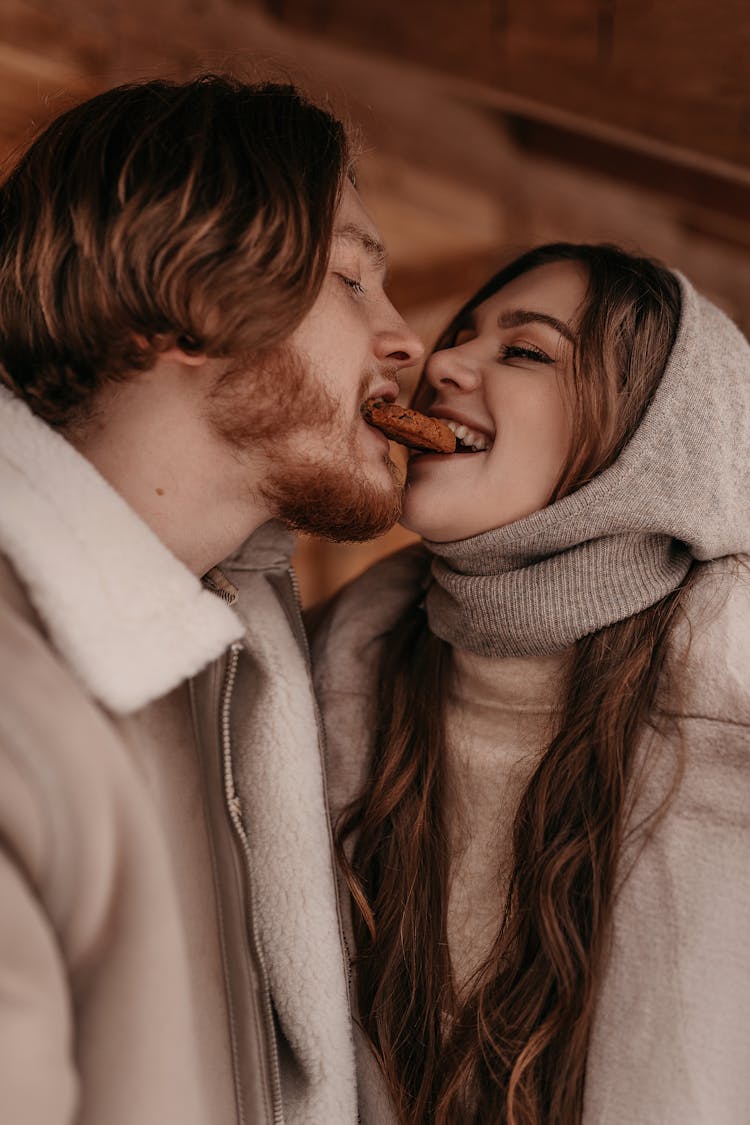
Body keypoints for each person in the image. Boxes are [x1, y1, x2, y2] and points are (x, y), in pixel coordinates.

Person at [0, 74, 423, 1125]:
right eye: (352, 281)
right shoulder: (18, 706)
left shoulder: (228, 666)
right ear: (185, 304)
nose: (408, 338)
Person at [313, 243, 750, 1125]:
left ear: (655, 437)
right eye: (463, 333)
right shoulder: (330, 668)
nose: (439, 363)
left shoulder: (733, 697)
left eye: (525, 351)